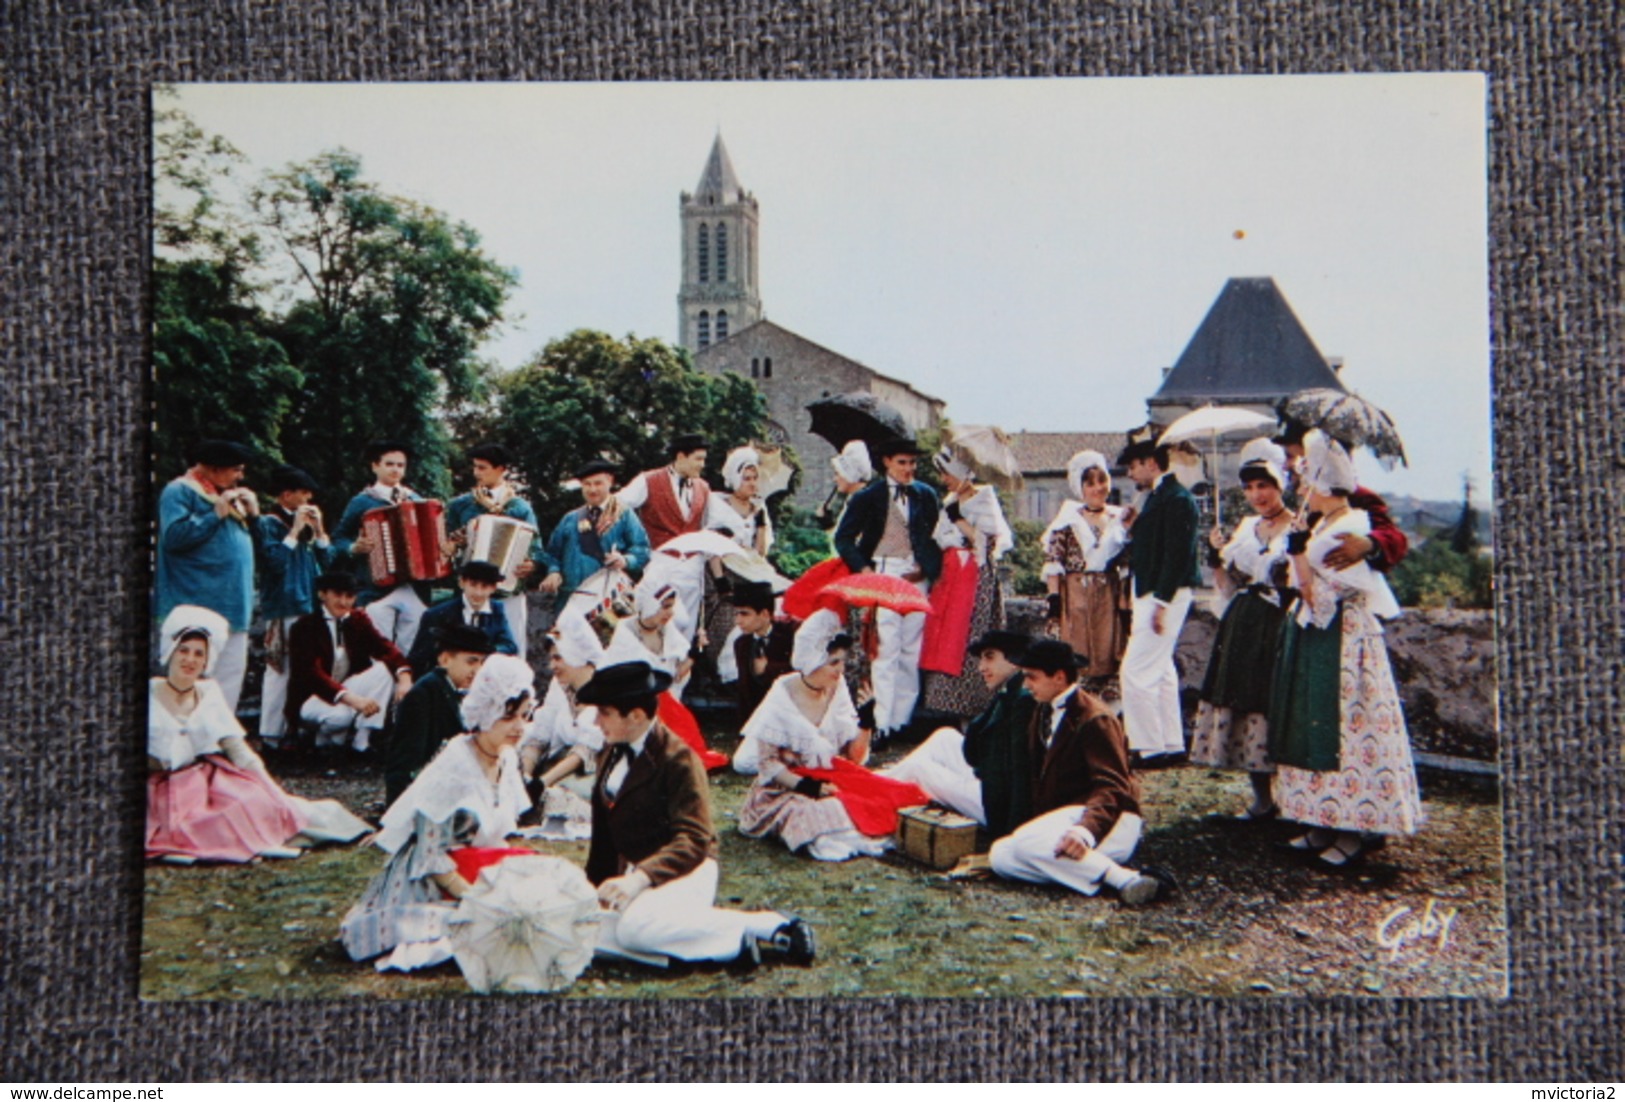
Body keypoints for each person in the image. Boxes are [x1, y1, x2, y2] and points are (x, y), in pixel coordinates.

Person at [580, 661, 816, 969]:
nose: (596, 721)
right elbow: (604, 838)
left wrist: (641, 878)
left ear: (636, 715)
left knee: (632, 929)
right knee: (584, 926)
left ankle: (758, 926)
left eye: (604, 712)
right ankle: (701, 951)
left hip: (687, 869)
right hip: (639, 875)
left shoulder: (678, 759)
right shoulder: (611, 753)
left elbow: (693, 839)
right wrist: (591, 889)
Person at [1268, 431, 1423, 869]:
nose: (1294, 477)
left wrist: (1370, 544)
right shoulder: (1316, 519)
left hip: (1344, 636)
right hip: (1316, 632)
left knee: (1347, 727)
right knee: (1314, 724)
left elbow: (1339, 579)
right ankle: (1320, 818)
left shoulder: (1353, 509)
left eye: (1299, 467)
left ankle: (1355, 828)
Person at [340, 655, 538, 970]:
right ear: (486, 713)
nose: (519, 727)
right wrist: (474, 897)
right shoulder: (457, 762)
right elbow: (429, 856)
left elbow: (496, 835)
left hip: (476, 865)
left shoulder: (506, 757)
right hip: (432, 878)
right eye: (508, 716)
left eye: (525, 716)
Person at [147, 605, 369, 864]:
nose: (190, 660)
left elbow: (238, 750)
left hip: (201, 779)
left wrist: (272, 789)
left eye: (199, 654)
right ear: (170, 652)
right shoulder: (150, 693)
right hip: (159, 785)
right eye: (183, 651)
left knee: (250, 802)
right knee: (195, 823)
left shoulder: (208, 692)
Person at [988, 640, 1171, 905]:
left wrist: (1084, 831)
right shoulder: (1043, 710)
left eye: (1032, 677)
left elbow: (1113, 787)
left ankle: (1123, 879)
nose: (1026, 685)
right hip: (1067, 818)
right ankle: (1105, 876)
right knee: (1001, 856)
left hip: (1108, 819)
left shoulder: (1096, 719)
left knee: (1024, 843)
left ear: (1059, 677)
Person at [737, 619, 929, 862]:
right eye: (833, 663)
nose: (840, 671)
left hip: (830, 775)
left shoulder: (836, 688)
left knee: (885, 794)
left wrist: (866, 721)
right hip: (786, 786)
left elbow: (854, 757)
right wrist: (808, 786)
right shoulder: (782, 693)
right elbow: (768, 764)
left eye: (842, 662)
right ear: (812, 661)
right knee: (818, 811)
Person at [1189, 439, 1296, 819]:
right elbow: (1228, 584)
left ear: (1279, 483)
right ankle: (1262, 799)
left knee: (1272, 702)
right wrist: (1217, 554)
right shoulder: (1247, 527)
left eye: (1263, 485)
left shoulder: (1298, 527)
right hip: (1245, 622)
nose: (1256, 495)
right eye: (1249, 487)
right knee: (1245, 703)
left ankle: (1293, 795)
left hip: (1280, 622)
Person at [833, 436, 942, 740]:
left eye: (913, 463)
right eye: (902, 463)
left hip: (917, 576)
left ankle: (902, 720)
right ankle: (881, 723)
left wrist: (927, 566)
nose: (909, 469)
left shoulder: (926, 495)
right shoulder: (868, 497)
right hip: (884, 570)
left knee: (911, 649)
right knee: (885, 647)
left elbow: (935, 537)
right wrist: (864, 568)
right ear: (887, 463)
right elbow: (843, 539)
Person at [882, 630, 1036, 840]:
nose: (982, 667)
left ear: (1014, 661)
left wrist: (1013, 832)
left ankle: (869, 789)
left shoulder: (1022, 699)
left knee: (918, 769)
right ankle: (880, 781)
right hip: (992, 782)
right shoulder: (1010, 691)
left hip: (1000, 806)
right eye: (981, 659)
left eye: (990, 657)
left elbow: (1020, 771)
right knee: (944, 736)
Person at [156, 439, 259, 711]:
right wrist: (215, 514)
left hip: (233, 606)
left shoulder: (227, 493)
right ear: (214, 468)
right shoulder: (179, 490)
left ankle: (217, 741)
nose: (240, 476)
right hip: (197, 603)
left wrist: (254, 515)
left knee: (228, 680)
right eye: (236, 469)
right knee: (193, 680)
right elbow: (174, 538)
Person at [1117, 438, 1201, 766]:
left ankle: (1149, 748)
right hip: (1153, 590)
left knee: (1135, 671)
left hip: (1164, 592)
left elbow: (1177, 554)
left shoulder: (1177, 498)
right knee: (1162, 671)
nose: (1131, 473)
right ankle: (1170, 743)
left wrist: (1162, 602)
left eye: (1134, 466)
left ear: (1152, 463)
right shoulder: (1159, 497)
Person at [920, 448, 1014, 720]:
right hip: (950, 575)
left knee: (969, 635)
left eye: (947, 472)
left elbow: (988, 543)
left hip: (974, 577)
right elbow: (940, 538)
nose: (944, 478)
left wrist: (959, 520)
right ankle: (943, 705)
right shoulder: (951, 499)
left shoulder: (983, 499)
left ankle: (972, 706)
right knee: (944, 635)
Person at [285, 571, 414, 753]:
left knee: (385, 669)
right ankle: (319, 739)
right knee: (340, 718)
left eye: (350, 596)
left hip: (346, 688)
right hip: (313, 697)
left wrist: (405, 677)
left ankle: (362, 740)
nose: (344, 602)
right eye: (337, 595)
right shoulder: (304, 626)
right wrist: (352, 699)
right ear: (322, 594)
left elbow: (385, 648)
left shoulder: (358, 620)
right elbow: (311, 674)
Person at [255, 464, 334, 747]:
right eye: (303, 493)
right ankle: (271, 734)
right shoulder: (269, 523)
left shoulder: (308, 527)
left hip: (310, 603)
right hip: (285, 605)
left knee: (306, 668)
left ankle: (296, 731)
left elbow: (329, 564)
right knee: (280, 669)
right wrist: (295, 531)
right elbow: (273, 563)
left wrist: (319, 531)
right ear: (285, 495)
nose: (308, 499)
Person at [331, 441, 436, 654]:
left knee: (412, 648)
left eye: (400, 465)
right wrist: (353, 547)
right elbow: (338, 537)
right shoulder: (363, 501)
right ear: (375, 466)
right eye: (389, 464)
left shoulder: (416, 500)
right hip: (376, 586)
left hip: (414, 588)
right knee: (377, 648)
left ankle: (407, 687)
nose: (396, 469)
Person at [1041, 450, 1130, 686]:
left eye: (1102, 481)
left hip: (1108, 595)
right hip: (1076, 596)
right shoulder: (1067, 521)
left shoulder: (1119, 519)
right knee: (1078, 654)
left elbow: (1126, 562)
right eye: (1090, 483)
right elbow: (1054, 564)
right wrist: (1054, 603)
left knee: (1108, 654)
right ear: (1081, 488)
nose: (1098, 488)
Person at [445, 443, 541, 658]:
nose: (476, 473)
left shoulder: (519, 507)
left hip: (508, 587)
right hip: (471, 587)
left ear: (501, 470)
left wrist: (532, 564)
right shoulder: (461, 505)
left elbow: (536, 545)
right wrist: (453, 546)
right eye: (475, 467)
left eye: (483, 468)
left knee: (512, 642)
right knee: (466, 641)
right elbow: (446, 544)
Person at [1274, 419, 1409, 573]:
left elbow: (1395, 538)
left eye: (1291, 457)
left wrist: (1370, 544)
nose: (1286, 465)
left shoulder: (1354, 496)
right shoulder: (1292, 495)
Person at [384, 622, 493, 807]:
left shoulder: (452, 688)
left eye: (482, 662)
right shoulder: (423, 694)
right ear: (445, 660)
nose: (478, 670)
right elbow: (405, 763)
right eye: (471, 661)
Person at [538, 459, 651, 617]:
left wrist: (625, 560)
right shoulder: (570, 519)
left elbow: (643, 551)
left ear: (610, 481)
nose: (592, 489)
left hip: (607, 601)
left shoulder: (624, 515)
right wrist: (553, 572)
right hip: (570, 599)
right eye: (587, 484)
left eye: (598, 483)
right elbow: (552, 554)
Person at [520, 610, 607, 800]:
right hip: (559, 763)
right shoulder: (559, 685)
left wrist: (542, 782)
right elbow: (540, 737)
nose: (552, 666)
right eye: (551, 659)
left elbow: (586, 750)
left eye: (558, 658)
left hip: (593, 770)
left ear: (575, 655)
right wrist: (526, 776)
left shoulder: (604, 687)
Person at [701, 445, 775, 666]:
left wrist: (761, 526)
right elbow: (711, 544)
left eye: (754, 478)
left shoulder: (759, 507)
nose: (752, 483)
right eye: (746, 478)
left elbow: (760, 553)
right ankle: (715, 669)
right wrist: (720, 579)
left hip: (749, 570)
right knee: (725, 618)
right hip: (722, 570)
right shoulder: (718, 504)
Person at [407, 560, 519, 678]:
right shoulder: (437, 614)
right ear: (462, 583)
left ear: (494, 588)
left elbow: (510, 645)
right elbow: (419, 658)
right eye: (473, 584)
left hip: (482, 676)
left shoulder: (496, 609)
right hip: (448, 677)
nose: (478, 592)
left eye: (484, 586)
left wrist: (483, 653)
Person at [720, 581, 798, 732]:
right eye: (736, 614)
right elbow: (744, 692)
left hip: (789, 717)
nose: (738, 621)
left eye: (744, 614)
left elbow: (802, 672)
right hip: (759, 719)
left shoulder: (790, 636)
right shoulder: (742, 643)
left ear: (765, 614)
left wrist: (769, 669)